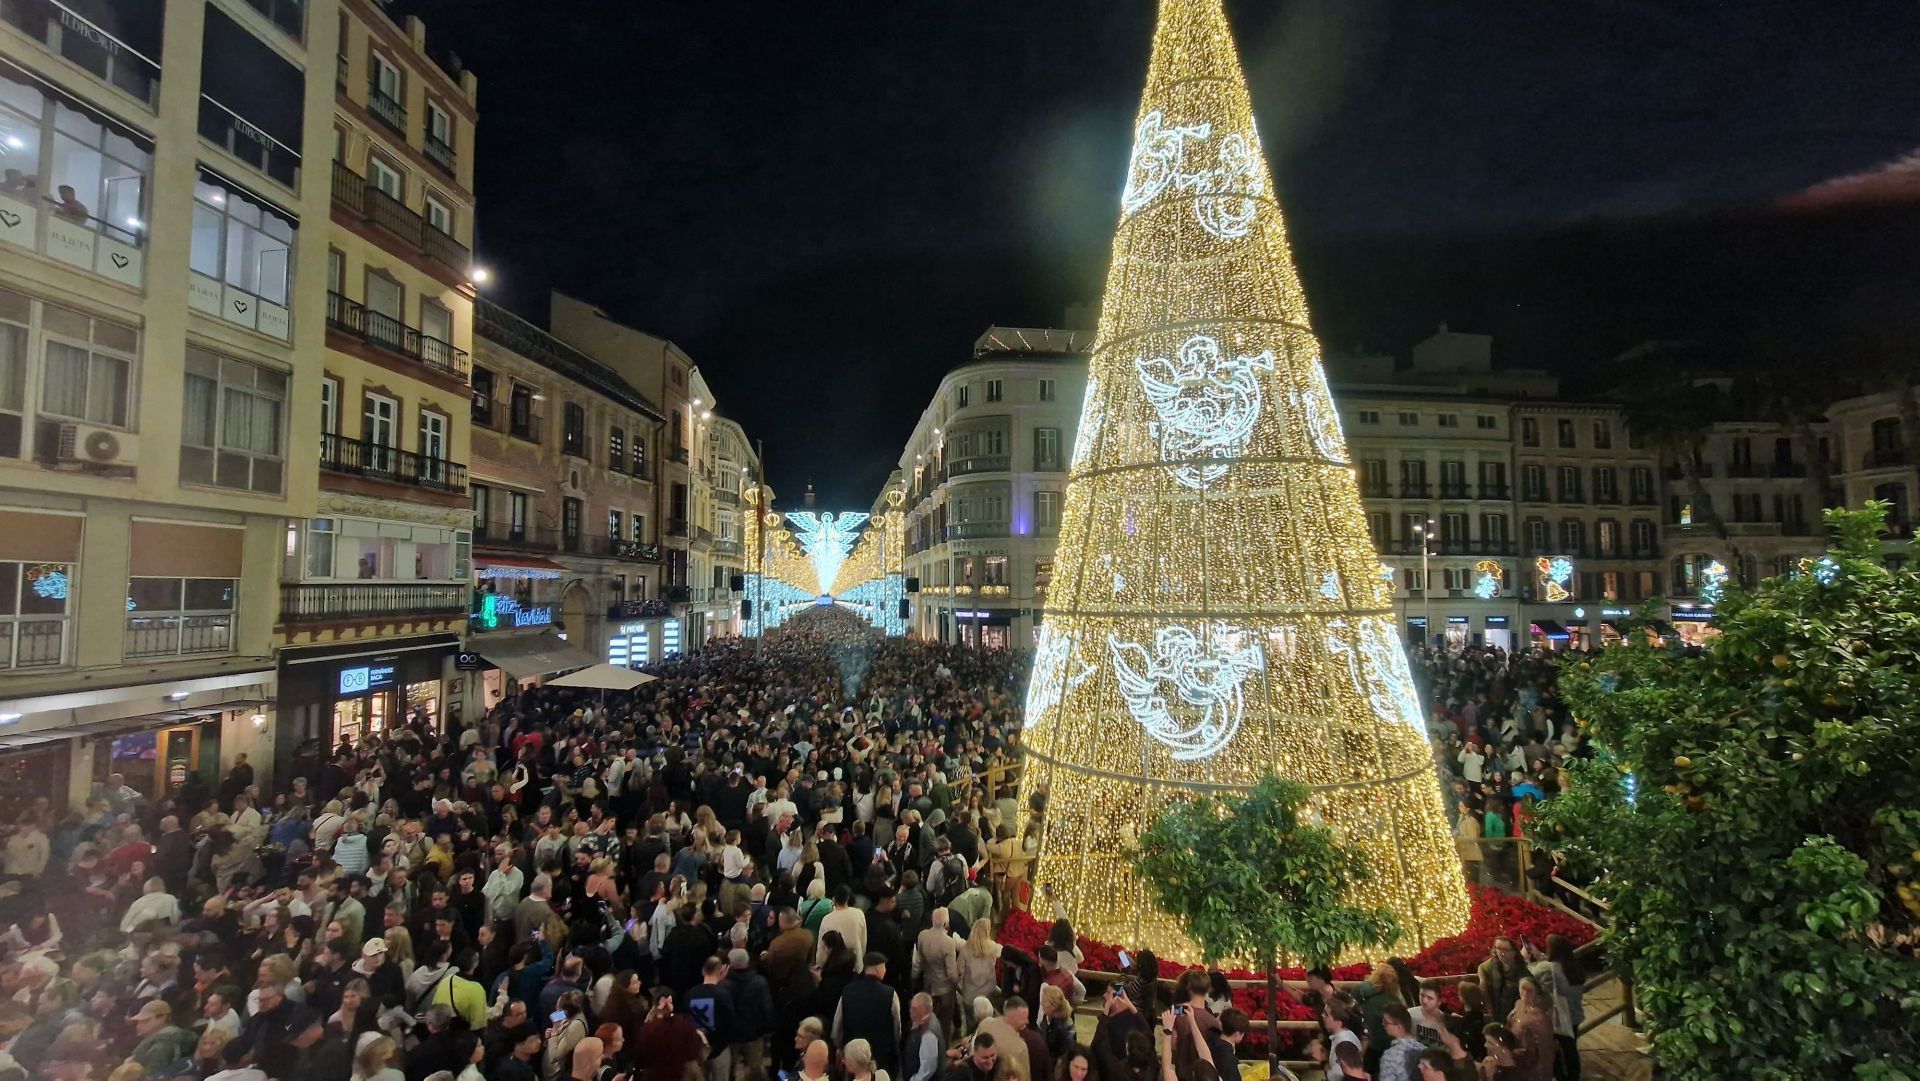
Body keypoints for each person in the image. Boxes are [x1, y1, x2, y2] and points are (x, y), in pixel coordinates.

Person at [834, 951, 902, 1076]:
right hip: (881, 1054)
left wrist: (839, 1047)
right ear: (878, 969)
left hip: (853, 1055)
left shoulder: (847, 991)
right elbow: (897, 1028)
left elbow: (837, 1026)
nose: (885, 970)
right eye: (884, 967)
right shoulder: (890, 994)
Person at [1504, 978, 1555, 1081]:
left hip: (1531, 1060)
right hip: (1515, 1052)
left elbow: (1545, 1045)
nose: (1525, 993)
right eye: (1523, 988)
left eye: (1530, 990)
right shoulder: (1518, 1004)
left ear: (1537, 995)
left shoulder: (1539, 1017)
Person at [1475, 938, 1527, 1023]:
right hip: (1498, 1010)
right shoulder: (1486, 967)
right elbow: (1483, 989)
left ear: (1513, 953)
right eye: (1497, 948)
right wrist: (1489, 1009)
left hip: (1518, 1010)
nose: (1499, 952)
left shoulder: (1521, 968)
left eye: (1504, 949)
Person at [1377, 1004, 1426, 1081]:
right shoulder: (1426, 1050)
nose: (1383, 1024)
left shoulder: (1390, 1056)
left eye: (1386, 1022)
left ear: (1399, 1027)